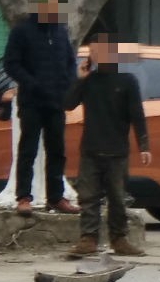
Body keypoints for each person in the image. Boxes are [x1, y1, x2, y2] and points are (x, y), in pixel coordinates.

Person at [64, 32, 151, 258]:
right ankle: (88, 239)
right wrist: (79, 79)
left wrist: (144, 145)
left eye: (99, 51)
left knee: (117, 197)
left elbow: (137, 116)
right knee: (88, 197)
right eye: (92, 51)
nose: (95, 55)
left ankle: (119, 239)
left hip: (117, 151)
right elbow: (67, 103)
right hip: (90, 149)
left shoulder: (127, 81)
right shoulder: (89, 81)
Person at [3, 0, 80, 216]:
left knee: (57, 150)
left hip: (56, 103)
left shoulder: (60, 31)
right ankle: (24, 197)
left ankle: (55, 197)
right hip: (32, 102)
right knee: (28, 149)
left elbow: (69, 62)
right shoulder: (22, 31)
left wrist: (68, 86)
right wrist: (32, 83)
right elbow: (11, 64)